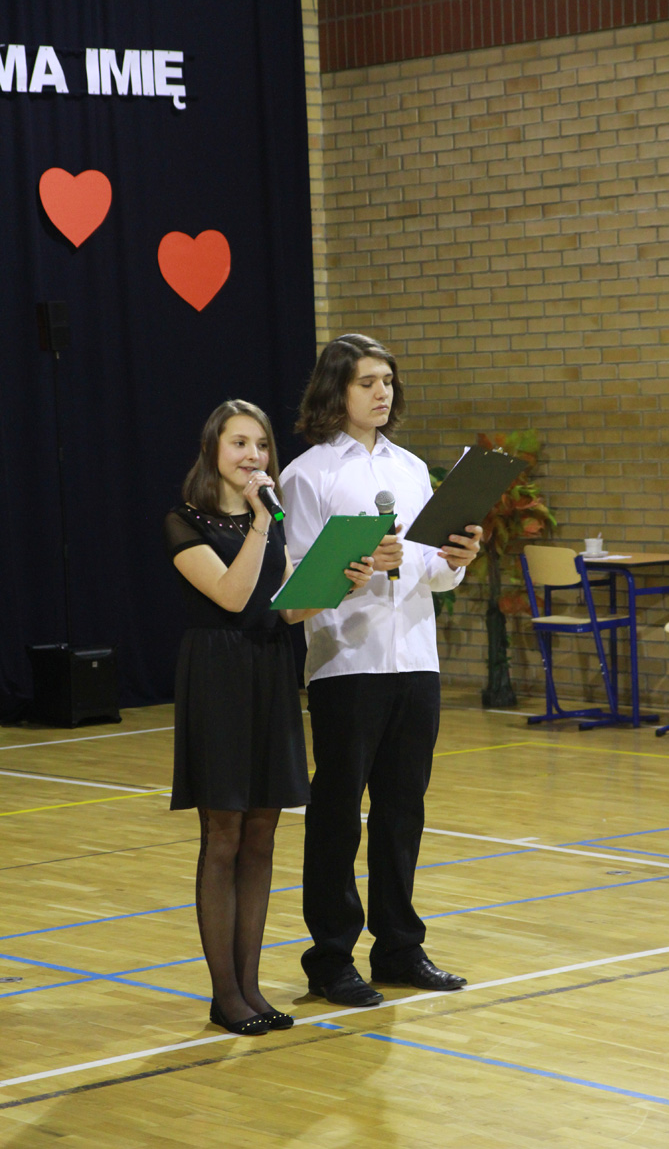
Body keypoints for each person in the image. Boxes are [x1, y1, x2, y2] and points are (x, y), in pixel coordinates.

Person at [280, 334, 483, 1008]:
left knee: (402, 811)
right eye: (367, 381)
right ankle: (330, 957)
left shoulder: (413, 468)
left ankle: (398, 946)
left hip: (415, 658)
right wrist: (365, 565)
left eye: (388, 381)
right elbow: (302, 579)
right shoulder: (308, 474)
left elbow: (432, 572)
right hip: (348, 660)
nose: (381, 392)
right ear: (335, 390)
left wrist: (454, 559)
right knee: (338, 814)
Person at [164, 399, 373, 1035]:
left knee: (262, 835)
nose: (253, 455)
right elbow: (232, 595)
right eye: (239, 444)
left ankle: (251, 989)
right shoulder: (184, 521)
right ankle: (225, 996)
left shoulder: (270, 523)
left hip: (270, 671)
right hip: (218, 677)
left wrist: (341, 582)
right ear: (213, 450)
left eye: (260, 445)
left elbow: (283, 609)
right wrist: (261, 520)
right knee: (224, 835)